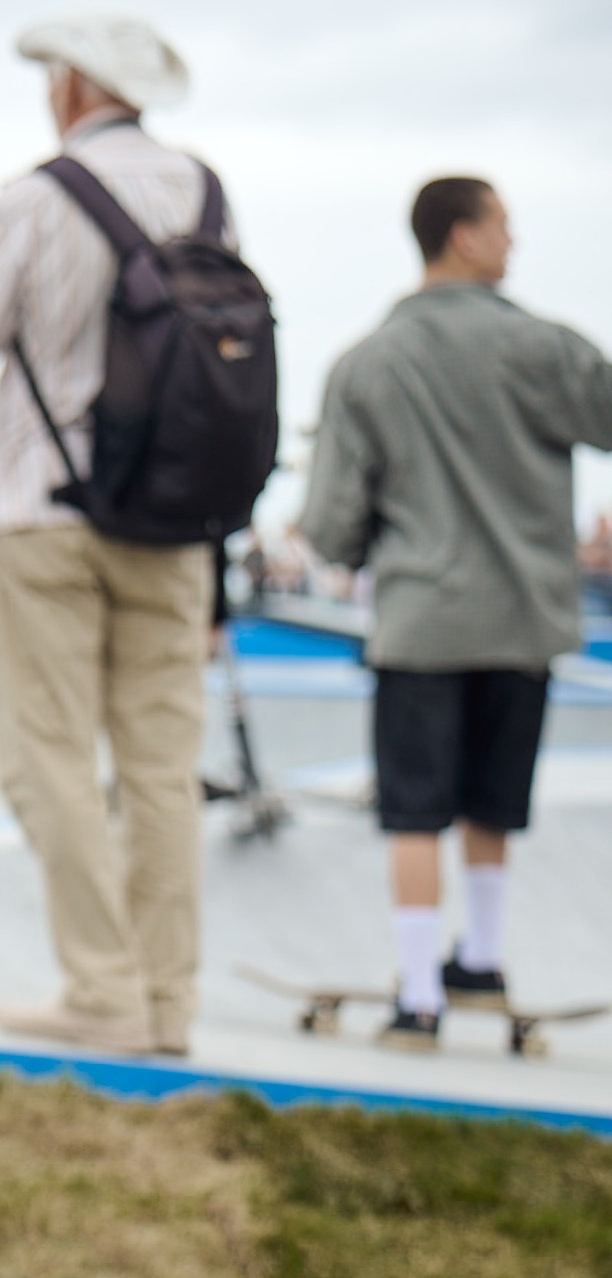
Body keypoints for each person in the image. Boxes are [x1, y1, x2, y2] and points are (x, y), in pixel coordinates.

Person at [0, 16, 223, 1056]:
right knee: (161, 770)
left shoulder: (35, 197)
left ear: (72, 87)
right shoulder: (206, 192)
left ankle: (101, 988)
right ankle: (168, 1001)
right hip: (173, 522)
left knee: (47, 760)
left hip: (43, 518)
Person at [298, 177, 612, 1048]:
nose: (515, 242)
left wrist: (365, 545)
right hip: (524, 619)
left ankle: (421, 996)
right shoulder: (543, 347)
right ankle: (483, 956)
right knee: (492, 803)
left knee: (413, 811)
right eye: (504, 226)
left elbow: (330, 525)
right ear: (463, 236)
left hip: (423, 621)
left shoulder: (367, 363)